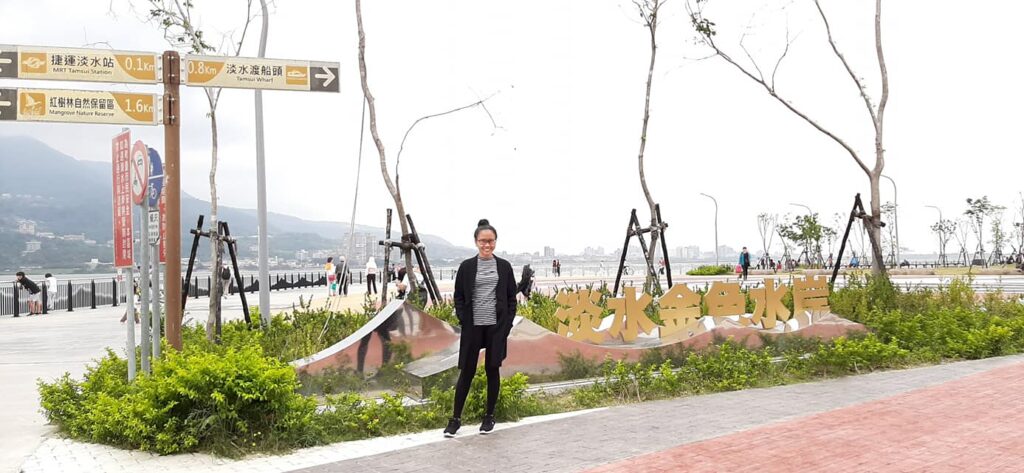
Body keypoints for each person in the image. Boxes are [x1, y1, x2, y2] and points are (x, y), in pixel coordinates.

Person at [444, 219, 517, 438]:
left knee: (492, 370)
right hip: (473, 327)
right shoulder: (467, 267)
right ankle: (455, 419)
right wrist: (464, 319)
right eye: (483, 241)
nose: (487, 245)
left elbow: (511, 298)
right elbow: (459, 296)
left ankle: (489, 417)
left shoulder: (503, 266)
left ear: (495, 242)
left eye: (490, 241)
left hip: (496, 327)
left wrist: (507, 325)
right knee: (466, 371)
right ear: (476, 242)